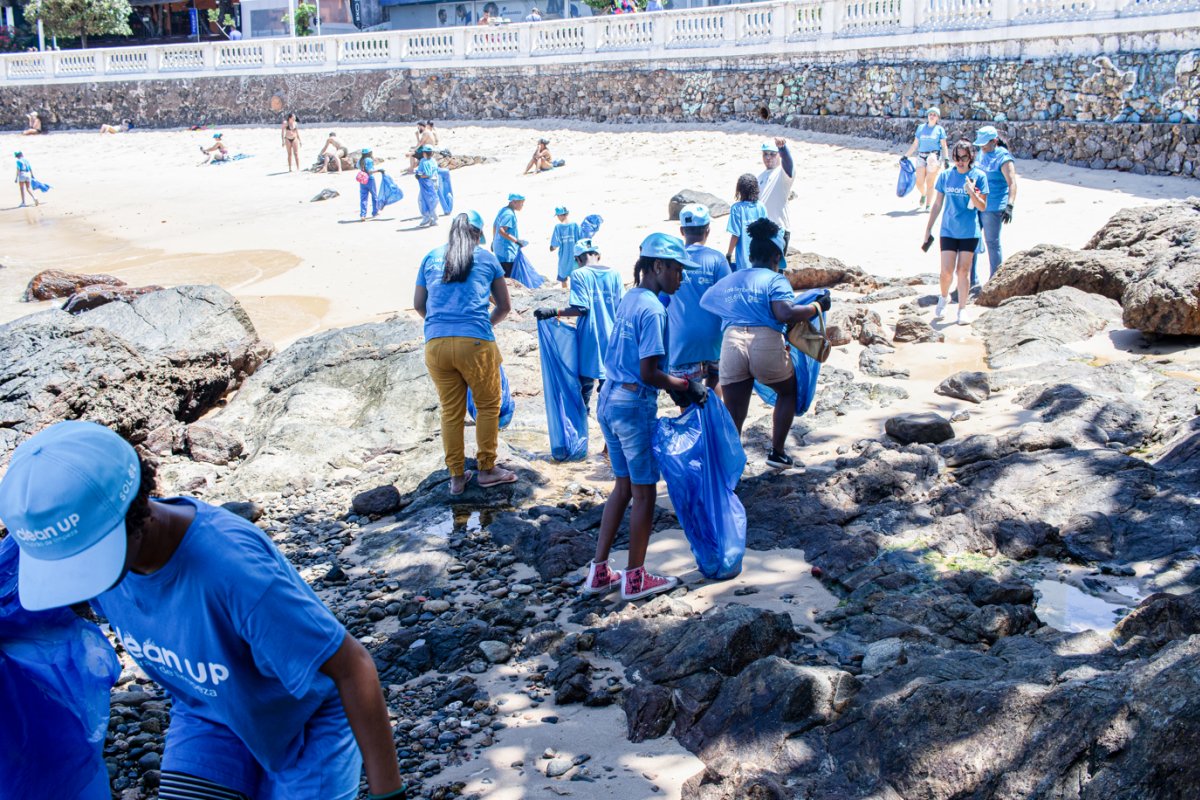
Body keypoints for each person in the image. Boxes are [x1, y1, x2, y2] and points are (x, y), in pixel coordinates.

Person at [0, 420, 407, 800]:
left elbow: (352, 667)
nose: (80, 581)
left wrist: (388, 794)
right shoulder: (76, 540)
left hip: (305, 722)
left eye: (86, 563)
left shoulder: (232, 572)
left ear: (133, 514)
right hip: (209, 712)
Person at [584, 233, 706, 602]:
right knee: (644, 493)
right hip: (633, 406)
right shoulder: (654, 309)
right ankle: (635, 579)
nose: (681, 277)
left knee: (622, 487)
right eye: (677, 270)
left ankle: (599, 572)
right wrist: (687, 386)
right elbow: (649, 372)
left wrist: (676, 387)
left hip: (608, 399)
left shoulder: (631, 297)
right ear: (657, 267)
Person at [701, 218, 828, 470]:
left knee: (734, 411)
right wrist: (816, 307)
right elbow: (785, 313)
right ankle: (777, 453)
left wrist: (734, 312)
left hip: (732, 342)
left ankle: (729, 469)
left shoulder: (732, 279)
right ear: (776, 257)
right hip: (765, 343)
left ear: (751, 255)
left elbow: (706, 301)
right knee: (788, 391)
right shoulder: (775, 280)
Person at [414, 211, 518, 495]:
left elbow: (419, 304)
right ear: (478, 233)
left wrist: (440, 326)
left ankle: (457, 478)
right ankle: (487, 469)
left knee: (451, 412)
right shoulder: (486, 258)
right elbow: (505, 307)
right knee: (487, 406)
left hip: (435, 345)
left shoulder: (431, 257)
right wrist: (481, 326)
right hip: (475, 344)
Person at [534, 238, 624, 413]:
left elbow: (581, 309)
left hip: (589, 338)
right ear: (598, 255)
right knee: (610, 387)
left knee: (584, 387)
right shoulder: (615, 274)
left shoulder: (579, 274)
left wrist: (553, 311)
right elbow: (622, 308)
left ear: (578, 259)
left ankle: (582, 420)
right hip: (612, 339)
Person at [923, 139, 989, 325]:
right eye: (957, 157)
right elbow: (937, 204)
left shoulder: (979, 176)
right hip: (948, 230)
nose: (960, 161)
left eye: (964, 158)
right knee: (946, 271)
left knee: (963, 271)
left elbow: (982, 207)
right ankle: (944, 297)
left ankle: (962, 309)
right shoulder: (946, 176)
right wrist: (928, 229)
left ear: (971, 157)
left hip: (969, 231)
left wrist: (971, 192)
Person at [669, 203, 730, 399]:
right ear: (708, 230)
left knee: (686, 390)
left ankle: (693, 418)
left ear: (682, 231)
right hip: (714, 335)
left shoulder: (672, 260)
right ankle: (712, 413)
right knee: (716, 377)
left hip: (681, 337)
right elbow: (728, 297)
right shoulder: (717, 259)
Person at [973, 125, 1018, 285]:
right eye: (980, 143)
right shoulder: (981, 153)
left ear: (994, 141)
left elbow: (1012, 183)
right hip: (976, 203)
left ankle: (994, 280)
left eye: (985, 143)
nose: (982, 146)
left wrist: (1010, 205)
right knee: (971, 240)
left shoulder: (1003, 157)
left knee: (992, 242)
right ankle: (971, 280)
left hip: (993, 205)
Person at [903, 107, 949, 212]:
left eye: (934, 115)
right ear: (928, 116)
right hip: (921, 156)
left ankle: (928, 205)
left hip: (934, 157)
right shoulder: (920, 128)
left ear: (937, 118)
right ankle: (924, 194)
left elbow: (944, 145)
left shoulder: (940, 130)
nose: (932, 116)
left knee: (930, 182)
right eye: (930, 114)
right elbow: (915, 144)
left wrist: (946, 159)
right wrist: (906, 155)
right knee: (919, 182)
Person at [757, 138, 795, 260]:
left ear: (779, 155)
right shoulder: (759, 177)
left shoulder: (782, 173)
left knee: (776, 268)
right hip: (761, 230)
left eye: (772, 154)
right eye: (765, 154)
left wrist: (782, 148)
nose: (768, 157)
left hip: (779, 229)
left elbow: (789, 164)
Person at [725, 173, 768, 271]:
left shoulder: (736, 208)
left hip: (744, 259)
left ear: (740, 190)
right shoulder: (761, 207)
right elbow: (766, 232)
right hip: (760, 257)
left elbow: (735, 235)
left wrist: (729, 254)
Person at [492, 193, 527, 277]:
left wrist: (493, 241)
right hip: (507, 252)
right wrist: (517, 241)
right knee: (509, 277)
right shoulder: (509, 214)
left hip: (499, 249)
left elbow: (495, 226)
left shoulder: (503, 210)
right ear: (514, 202)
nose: (523, 205)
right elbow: (501, 231)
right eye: (521, 203)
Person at [550, 206, 583, 286]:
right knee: (576, 279)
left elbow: (554, 245)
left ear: (559, 215)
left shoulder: (558, 227)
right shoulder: (575, 225)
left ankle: (565, 292)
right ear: (567, 214)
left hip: (564, 259)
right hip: (576, 258)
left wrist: (551, 248)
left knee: (563, 279)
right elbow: (582, 239)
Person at [415, 145, 441, 227]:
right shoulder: (433, 161)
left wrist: (419, 176)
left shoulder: (424, 161)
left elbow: (427, 174)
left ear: (424, 153)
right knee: (432, 200)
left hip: (427, 184)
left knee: (421, 200)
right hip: (434, 183)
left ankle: (427, 217)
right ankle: (434, 219)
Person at [358, 147, 385, 221]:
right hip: (370, 179)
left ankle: (363, 215)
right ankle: (375, 212)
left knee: (363, 198)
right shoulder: (369, 160)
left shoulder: (360, 160)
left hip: (362, 180)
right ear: (369, 153)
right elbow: (370, 171)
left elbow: (357, 166)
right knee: (374, 196)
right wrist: (379, 170)